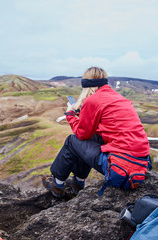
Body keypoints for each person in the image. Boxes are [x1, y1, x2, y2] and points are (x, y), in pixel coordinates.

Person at [42, 67, 150, 197]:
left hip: (119, 167)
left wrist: (70, 114)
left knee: (72, 140)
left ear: (87, 86)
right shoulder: (119, 98)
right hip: (139, 164)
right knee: (92, 138)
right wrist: (84, 114)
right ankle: (78, 182)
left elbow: (82, 134)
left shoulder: (93, 100)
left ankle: (57, 184)